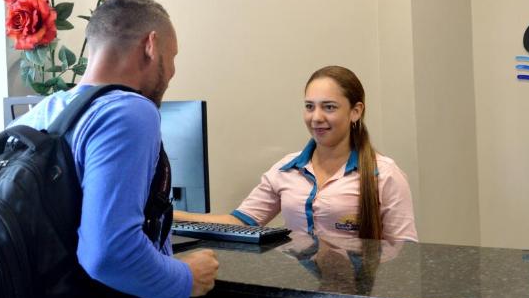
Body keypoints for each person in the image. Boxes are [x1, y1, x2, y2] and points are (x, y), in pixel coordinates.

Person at [12, 0, 220, 298]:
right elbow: (108, 252)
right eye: (173, 55)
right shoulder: (129, 111)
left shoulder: (37, 116)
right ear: (151, 45)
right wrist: (186, 278)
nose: (174, 70)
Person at [175, 65, 417, 242]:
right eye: (309, 106)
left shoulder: (384, 174)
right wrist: (172, 216)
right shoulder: (285, 169)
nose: (316, 117)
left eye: (329, 107)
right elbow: (239, 223)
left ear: (355, 112)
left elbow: (405, 253)